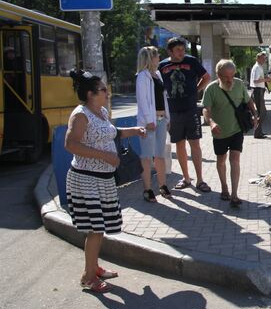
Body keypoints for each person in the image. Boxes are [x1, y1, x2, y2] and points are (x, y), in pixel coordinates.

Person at [64, 70, 145, 293]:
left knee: (99, 228)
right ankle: (88, 276)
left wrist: (134, 132)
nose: (107, 93)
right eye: (102, 90)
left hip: (103, 180)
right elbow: (71, 145)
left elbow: (111, 133)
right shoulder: (80, 114)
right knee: (95, 229)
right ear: (90, 94)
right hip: (86, 180)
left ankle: (94, 267)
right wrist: (105, 156)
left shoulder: (99, 111)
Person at [202, 59, 259, 208]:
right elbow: (206, 109)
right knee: (221, 160)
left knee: (235, 159)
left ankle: (234, 194)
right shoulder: (211, 89)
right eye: (226, 76)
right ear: (218, 75)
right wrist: (211, 123)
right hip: (219, 132)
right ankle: (224, 187)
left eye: (232, 75)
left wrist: (255, 114)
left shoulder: (239, 84)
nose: (230, 79)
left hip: (236, 130)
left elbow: (249, 101)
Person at [158, 37, 212, 192]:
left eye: (183, 49)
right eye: (178, 50)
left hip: (190, 109)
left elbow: (206, 77)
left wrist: (196, 90)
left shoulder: (192, 61)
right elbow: (159, 88)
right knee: (179, 144)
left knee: (195, 143)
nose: (181, 53)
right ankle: (186, 178)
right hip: (173, 111)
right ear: (170, 51)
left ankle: (200, 180)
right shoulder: (162, 66)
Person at [136, 46, 171, 202]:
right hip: (149, 122)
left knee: (160, 155)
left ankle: (163, 186)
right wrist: (149, 121)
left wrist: (167, 118)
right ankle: (148, 189)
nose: (159, 58)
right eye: (157, 55)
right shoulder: (142, 76)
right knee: (146, 157)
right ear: (150, 58)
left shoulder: (157, 75)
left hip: (161, 119)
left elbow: (163, 98)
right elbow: (142, 100)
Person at [250, 52, 271, 139]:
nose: (264, 60)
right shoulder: (257, 67)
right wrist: (266, 79)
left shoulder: (259, 67)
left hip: (259, 91)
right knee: (262, 113)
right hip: (257, 91)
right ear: (258, 58)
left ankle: (259, 132)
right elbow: (256, 81)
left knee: (261, 112)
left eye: (265, 59)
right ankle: (257, 132)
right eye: (262, 58)